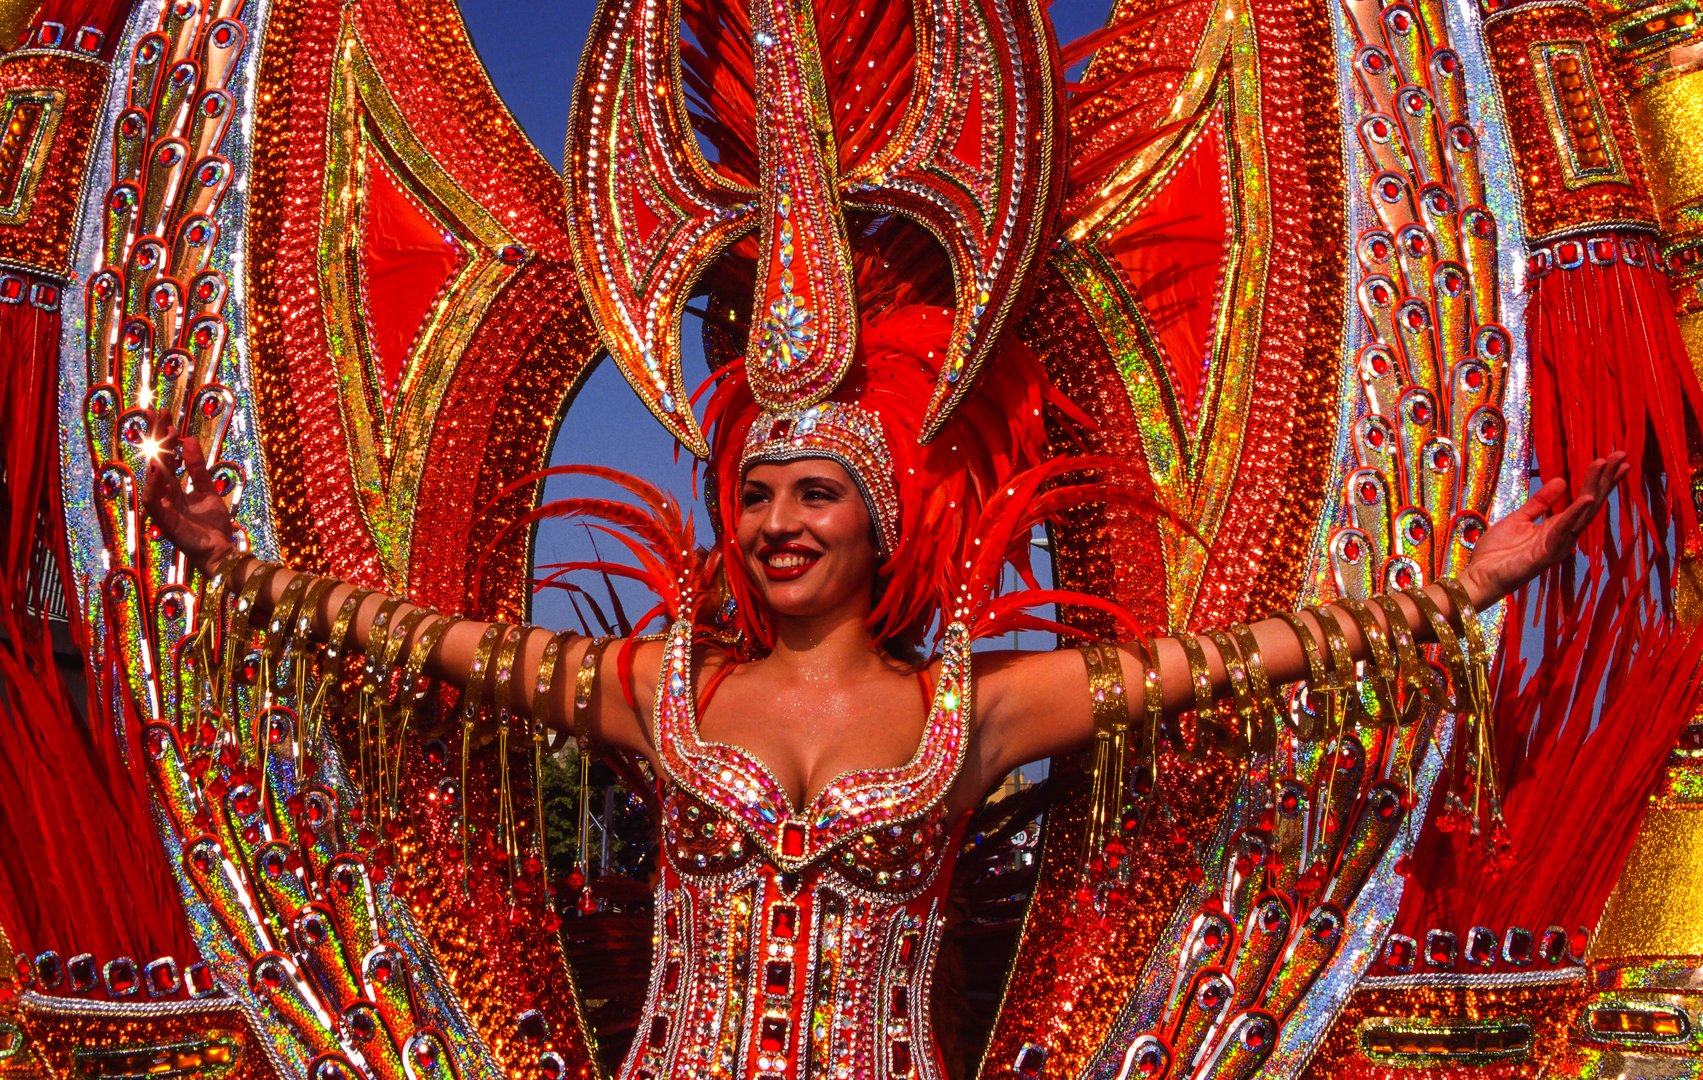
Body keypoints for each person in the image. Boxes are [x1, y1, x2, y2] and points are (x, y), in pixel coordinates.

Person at [141, 336, 1625, 1078]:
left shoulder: (969, 714)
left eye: (819, 496)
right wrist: (233, 567)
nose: (783, 522)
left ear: (878, 527)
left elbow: (1234, 661)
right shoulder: (663, 688)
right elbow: (417, 642)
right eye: (762, 495)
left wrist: (1464, 587)